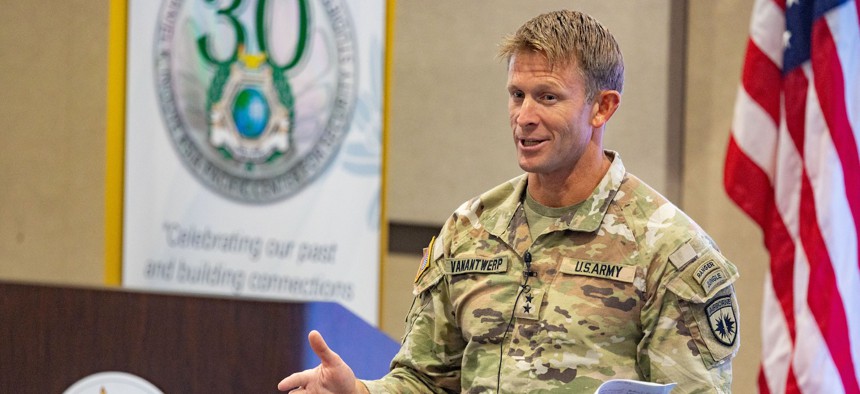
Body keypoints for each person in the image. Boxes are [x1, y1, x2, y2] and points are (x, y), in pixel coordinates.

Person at [279, 9, 739, 393]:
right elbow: (425, 382)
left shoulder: (669, 250)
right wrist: (359, 392)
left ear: (602, 107)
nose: (524, 116)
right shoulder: (470, 229)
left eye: (547, 97)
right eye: (517, 95)